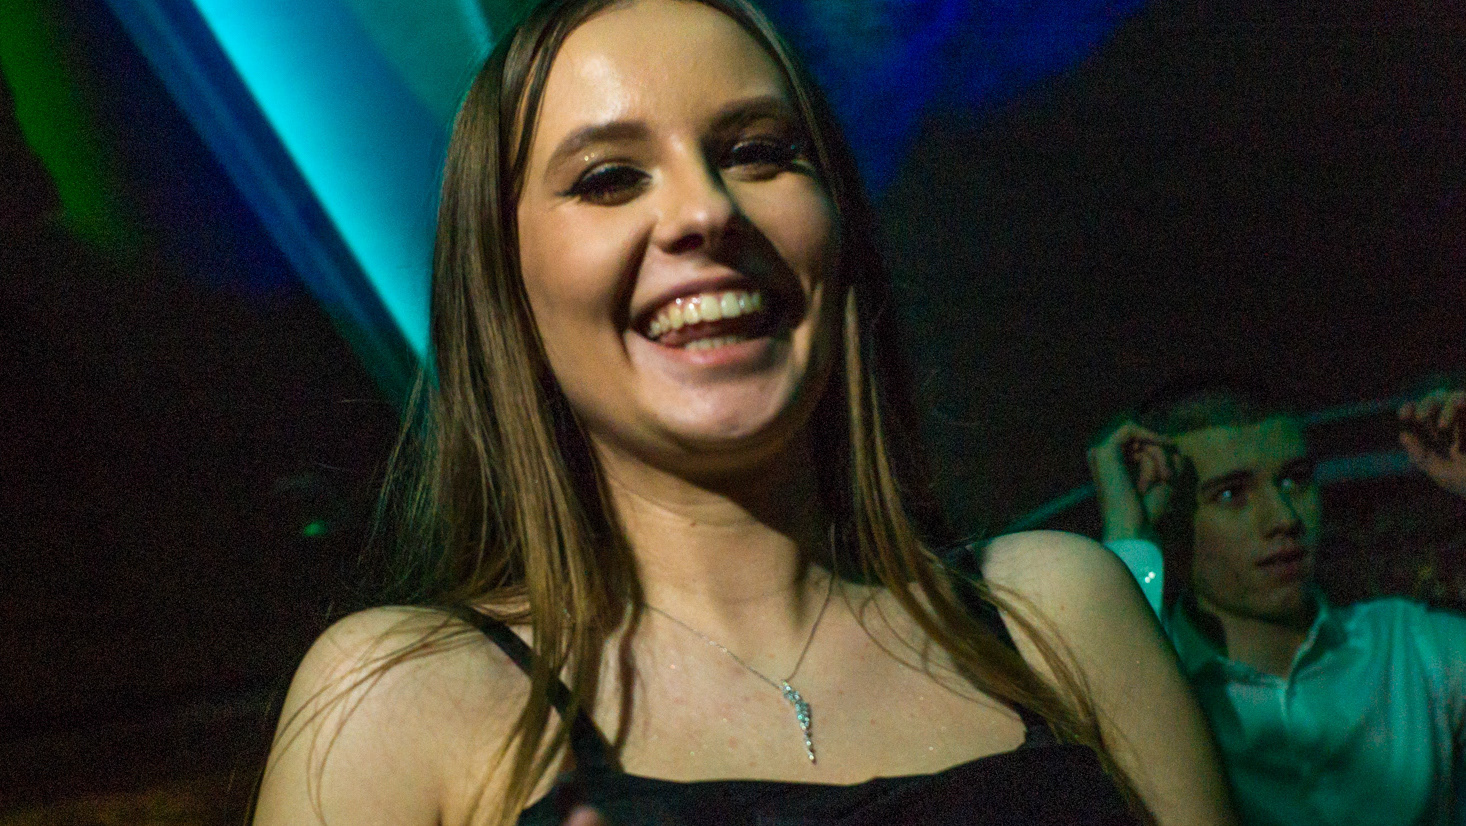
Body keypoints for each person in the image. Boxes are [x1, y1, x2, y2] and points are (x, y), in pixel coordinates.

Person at [252, 1, 1236, 823]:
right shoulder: (399, 705)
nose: (707, 210)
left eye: (757, 152)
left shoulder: (1057, 618)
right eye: (608, 178)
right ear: (504, 287)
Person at [1089, 382, 1466, 826]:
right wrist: (1128, 535)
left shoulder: (1415, 645)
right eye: (1231, 494)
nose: (1284, 518)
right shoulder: (1157, 683)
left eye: (1295, 480)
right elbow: (1094, 718)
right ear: (1171, 520)